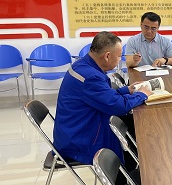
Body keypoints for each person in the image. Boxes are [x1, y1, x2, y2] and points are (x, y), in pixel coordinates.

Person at [53, 32, 152, 165]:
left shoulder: (83, 65)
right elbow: (119, 106)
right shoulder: (91, 77)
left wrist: (127, 90)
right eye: (119, 56)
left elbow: (103, 96)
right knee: (133, 125)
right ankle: (128, 171)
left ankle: (135, 164)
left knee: (131, 123)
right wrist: (142, 94)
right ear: (107, 56)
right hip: (79, 140)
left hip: (75, 128)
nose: (120, 60)